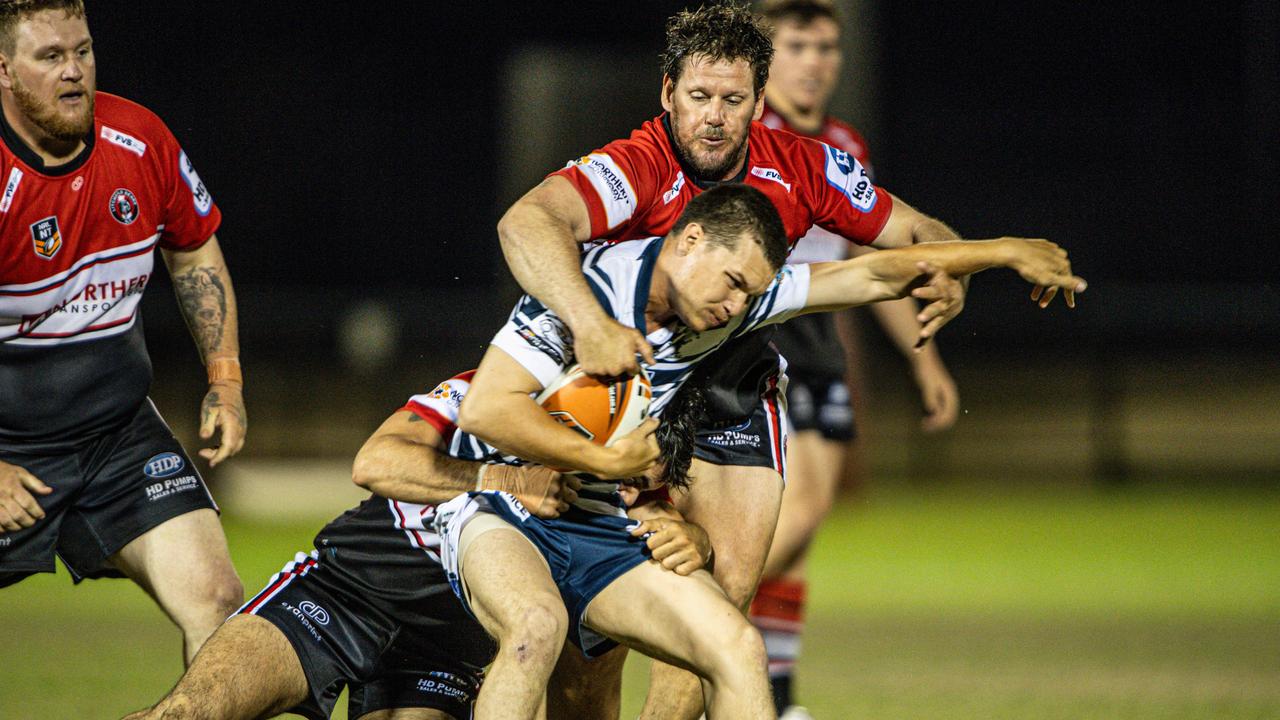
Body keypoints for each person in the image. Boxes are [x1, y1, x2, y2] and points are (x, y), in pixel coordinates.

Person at [494, 4, 1034, 717]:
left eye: (732, 99)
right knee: (593, 650)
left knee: (716, 611)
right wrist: (590, 324)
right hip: (626, 397)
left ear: (758, 101)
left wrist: (947, 269)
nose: (714, 117)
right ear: (667, 94)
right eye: (698, 97)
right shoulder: (636, 165)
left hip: (735, 394)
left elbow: (913, 231)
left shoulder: (807, 167)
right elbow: (525, 221)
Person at [461, 184, 1083, 719]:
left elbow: (874, 272)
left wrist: (1002, 252)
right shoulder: (587, 292)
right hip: (502, 509)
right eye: (732, 282)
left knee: (738, 647)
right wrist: (605, 462)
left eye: (749, 293)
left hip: (594, 525)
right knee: (535, 637)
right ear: (691, 239)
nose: (735, 305)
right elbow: (486, 410)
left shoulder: (737, 305)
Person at [125, 370, 712, 720]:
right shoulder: (484, 395)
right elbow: (374, 462)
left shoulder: (626, 458)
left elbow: (670, 531)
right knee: (191, 712)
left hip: (445, 653)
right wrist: (506, 478)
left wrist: (697, 541)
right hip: (343, 593)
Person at [0, 0, 245, 665]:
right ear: (4, 69)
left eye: (82, 51)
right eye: (50, 57)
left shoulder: (139, 138)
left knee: (221, 604)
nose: (73, 71)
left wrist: (225, 379)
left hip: (117, 438)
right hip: (9, 446)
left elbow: (194, 249)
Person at [751, 2, 959, 715]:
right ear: (766, 54)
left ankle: (777, 699)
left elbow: (874, 261)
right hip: (766, 338)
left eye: (828, 46)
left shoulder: (843, 144)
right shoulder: (749, 136)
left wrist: (924, 362)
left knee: (801, 533)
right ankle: (688, 612)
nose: (816, 60)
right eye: (798, 44)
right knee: (797, 509)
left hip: (822, 342)